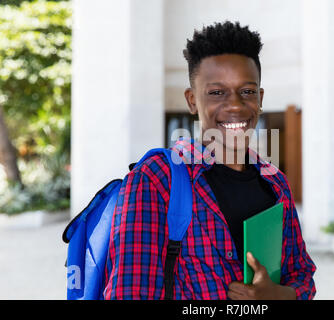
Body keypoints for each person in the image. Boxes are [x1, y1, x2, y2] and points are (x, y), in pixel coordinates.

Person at [103, 21, 316, 300]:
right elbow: (129, 294)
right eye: (217, 92)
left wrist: (279, 295)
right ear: (192, 101)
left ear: (260, 98)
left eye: (248, 91)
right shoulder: (158, 179)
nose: (236, 105)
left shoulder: (275, 183)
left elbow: (302, 275)